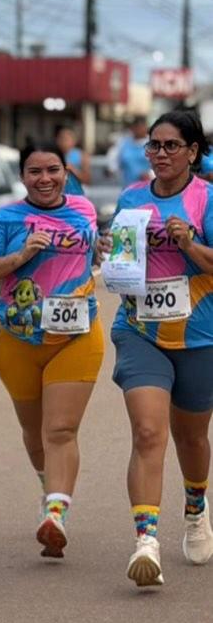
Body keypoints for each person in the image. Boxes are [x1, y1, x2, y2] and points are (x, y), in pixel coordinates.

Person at [0, 143, 109, 557]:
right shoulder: (7, 218)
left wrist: (99, 250)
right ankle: (49, 488)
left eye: (53, 170)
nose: (44, 179)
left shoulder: (83, 209)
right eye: (34, 171)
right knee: (34, 433)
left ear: (66, 172)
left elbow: (93, 247)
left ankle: (56, 514)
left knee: (60, 430)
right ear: (22, 176)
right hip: (19, 339)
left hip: (76, 336)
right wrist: (22, 254)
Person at [109, 110, 213, 586]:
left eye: (172, 146)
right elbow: (118, 269)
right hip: (141, 330)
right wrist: (111, 254)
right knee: (148, 432)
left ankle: (195, 507)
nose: (161, 154)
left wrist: (190, 245)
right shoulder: (131, 198)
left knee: (191, 437)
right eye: (154, 145)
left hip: (199, 335)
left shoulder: (207, 199)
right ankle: (145, 540)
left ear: (193, 151)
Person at [55, 123, 90, 196]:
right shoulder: (52, 156)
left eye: (66, 139)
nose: (63, 142)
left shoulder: (82, 155)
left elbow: (87, 180)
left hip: (77, 192)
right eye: (60, 139)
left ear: (74, 141)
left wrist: (72, 169)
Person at [117, 116, 151, 187]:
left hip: (148, 186)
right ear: (132, 128)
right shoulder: (123, 143)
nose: (139, 130)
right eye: (137, 127)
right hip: (128, 186)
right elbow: (115, 163)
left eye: (142, 127)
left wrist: (150, 174)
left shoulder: (152, 144)